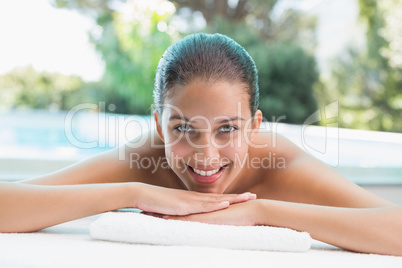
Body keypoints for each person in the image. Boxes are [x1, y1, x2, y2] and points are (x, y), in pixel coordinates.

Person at [0, 33, 401, 256]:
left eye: (228, 129)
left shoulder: (276, 160)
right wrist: (132, 193)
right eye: (183, 128)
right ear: (159, 126)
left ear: (254, 127)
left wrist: (259, 212)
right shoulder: (146, 160)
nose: (206, 154)